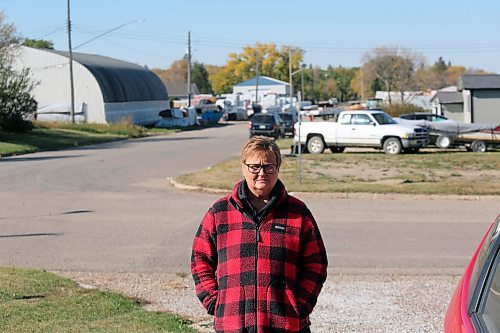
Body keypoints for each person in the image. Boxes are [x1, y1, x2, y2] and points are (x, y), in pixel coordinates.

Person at [191, 136, 328, 333]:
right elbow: (199, 258)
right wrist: (214, 301)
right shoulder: (220, 212)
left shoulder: (298, 213)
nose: (262, 173)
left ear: (278, 167)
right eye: (254, 166)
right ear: (243, 167)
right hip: (233, 323)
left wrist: (301, 304)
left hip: (286, 323)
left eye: (269, 167)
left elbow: (317, 263)